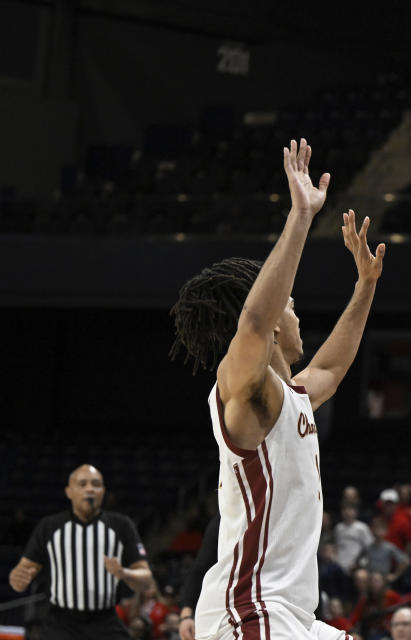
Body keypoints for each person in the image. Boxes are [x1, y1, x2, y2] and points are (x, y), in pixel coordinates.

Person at [169, 139, 385, 639]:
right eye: (289, 303)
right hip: (251, 609)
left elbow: (329, 368)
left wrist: (365, 287)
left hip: (291, 613)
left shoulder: (290, 396)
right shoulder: (242, 389)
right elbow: (253, 321)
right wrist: (302, 217)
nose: (296, 311)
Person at [7, 464, 153, 640]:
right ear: (69, 491)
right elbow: (20, 577)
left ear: (103, 491)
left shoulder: (121, 525)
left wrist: (124, 573)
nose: (90, 489)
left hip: (104, 620)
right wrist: (17, 578)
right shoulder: (50, 526)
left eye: (96, 484)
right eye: (82, 484)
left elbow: (145, 579)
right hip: (60, 622)